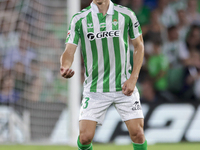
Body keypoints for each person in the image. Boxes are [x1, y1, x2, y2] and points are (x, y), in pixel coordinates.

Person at [60, 0, 147, 150]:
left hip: (124, 86)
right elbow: (69, 50)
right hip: (95, 88)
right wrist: (65, 66)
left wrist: (133, 78)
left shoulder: (126, 14)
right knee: (85, 138)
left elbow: (139, 45)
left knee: (138, 133)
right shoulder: (79, 19)